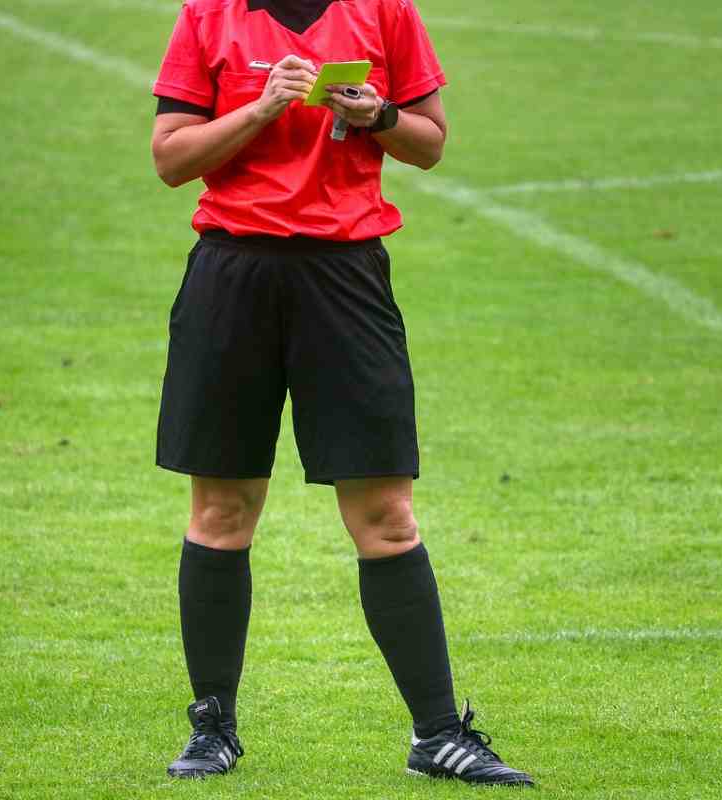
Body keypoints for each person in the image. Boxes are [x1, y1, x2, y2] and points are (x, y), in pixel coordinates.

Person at [149, 0, 533, 787]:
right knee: (222, 513)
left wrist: (379, 112)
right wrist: (264, 106)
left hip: (347, 278)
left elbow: (427, 144)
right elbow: (171, 158)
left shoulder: (385, 12)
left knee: (387, 517)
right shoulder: (209, 16)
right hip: (232, 276)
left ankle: (437, 735)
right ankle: (212, 728)